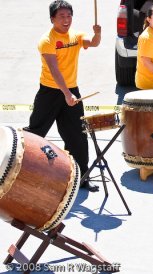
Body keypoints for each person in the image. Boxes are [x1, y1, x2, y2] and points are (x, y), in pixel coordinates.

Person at [23, 0, 101, 192]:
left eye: (69, 16)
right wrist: (66, 94)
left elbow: (94, 43)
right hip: (50, 91)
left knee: (77, 136)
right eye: (61, 17)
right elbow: (54, 70)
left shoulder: (76, 35)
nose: (66, 20)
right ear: (52, 19)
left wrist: (97, 33)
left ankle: (81, 178)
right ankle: (23, 175)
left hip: (71, 90)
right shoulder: (47, 40)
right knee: (36, 133)